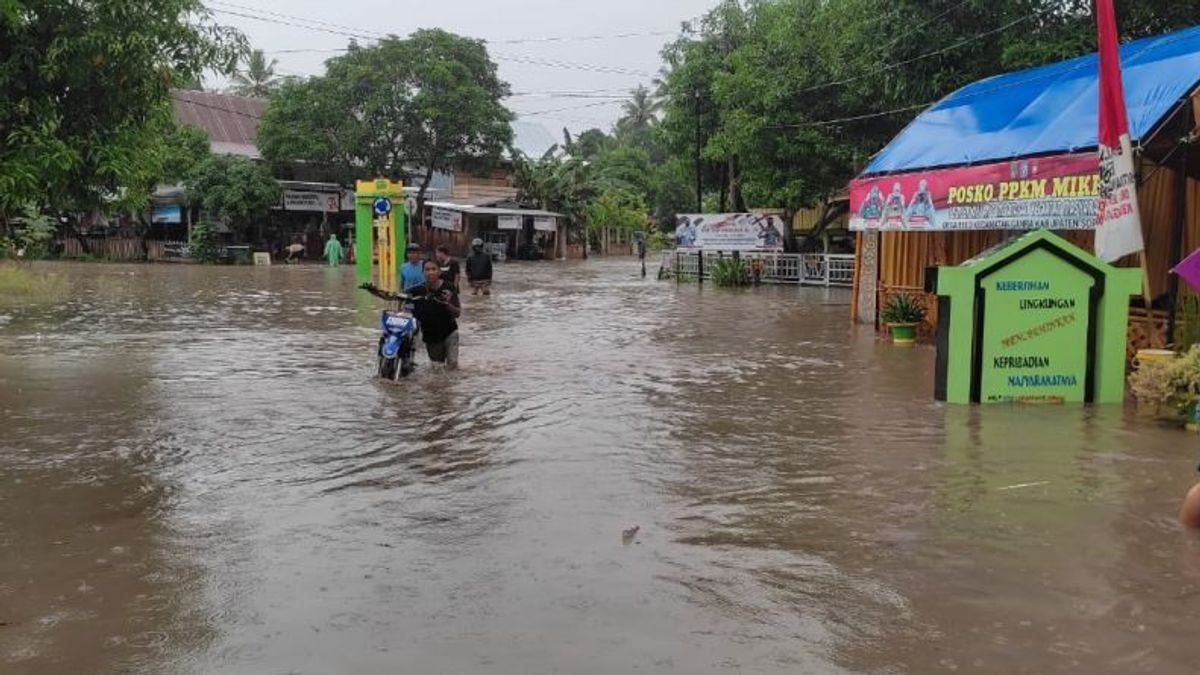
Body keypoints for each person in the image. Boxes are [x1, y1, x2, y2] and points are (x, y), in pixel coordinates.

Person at [407, 259, 461, 369]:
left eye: (433, 269)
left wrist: (446, 303)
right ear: (422, 273)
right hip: (431, 336)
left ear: (439, 272)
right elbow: (397, 297)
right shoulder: (416, 291)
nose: (430, 272)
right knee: (437, 369)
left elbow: (458, 313)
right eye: (427, 270)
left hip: (449, 332)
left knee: (452, 366)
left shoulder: (448, 288)